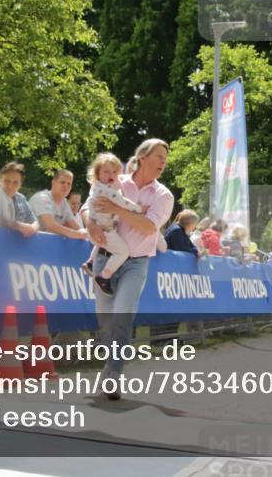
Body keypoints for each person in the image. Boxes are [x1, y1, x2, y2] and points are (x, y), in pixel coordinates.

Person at [83, 139, 173, 399]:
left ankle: (113, 375)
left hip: (136, 263)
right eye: (158, 157)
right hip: (105, 257)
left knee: (123, 318)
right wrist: (90, 224)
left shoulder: (163, 195)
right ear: (142, 157)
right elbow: (89, 205)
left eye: (164, 159)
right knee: (106, 322)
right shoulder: (116, 179)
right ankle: (110, 367)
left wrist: (115, 209)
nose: (162, 163)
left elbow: (148, 227)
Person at [82, 152, 144, 295]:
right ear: (98, 174)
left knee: (101, 243)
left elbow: (116, 185)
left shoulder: (98, 186)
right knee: (123, 251)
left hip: (103, 228)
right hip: (103, 230)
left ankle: (91, 262)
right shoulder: (108, 191)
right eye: (106, 171)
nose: (111, 174)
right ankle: (104, 277)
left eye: (114, 171)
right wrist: (140, 208)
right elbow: (122, 203)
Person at [30, 169, 87, 240]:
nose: (65, 186)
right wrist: (78, 234)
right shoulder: (42, 198)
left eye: (69, 184)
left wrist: (85, 233)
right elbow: (51, 226)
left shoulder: (64, 203)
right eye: (62, 182)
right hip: (30, 242)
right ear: (53, 183)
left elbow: (76, 227)